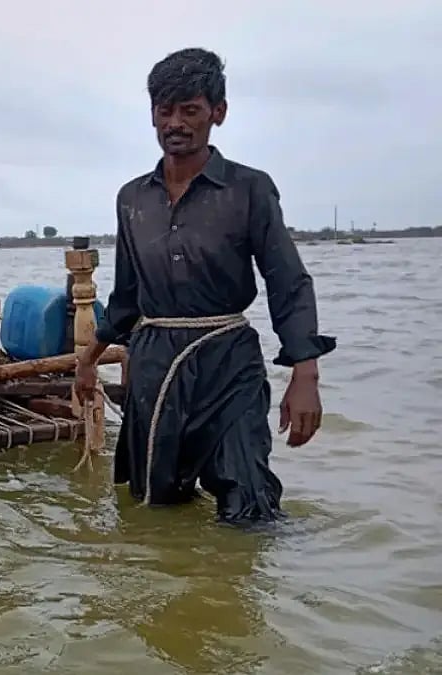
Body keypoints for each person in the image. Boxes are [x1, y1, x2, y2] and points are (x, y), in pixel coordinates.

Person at [74, 48, 336, 525]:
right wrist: (89, 360)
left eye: (189, 110)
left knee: (250, 504)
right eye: (164, 110)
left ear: (218, 112)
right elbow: (127, 296)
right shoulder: (133, 198)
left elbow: (288, 281)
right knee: (154, 506)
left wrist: (306, 375)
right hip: (154, 366)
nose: (175, 122)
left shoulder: (249, 189)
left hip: (227, 362)